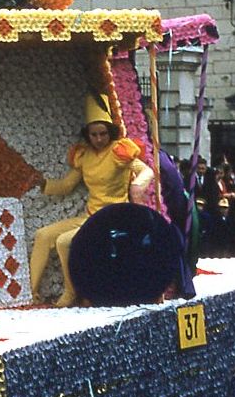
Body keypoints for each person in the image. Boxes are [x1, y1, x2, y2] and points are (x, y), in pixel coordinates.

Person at [29, 94, 154, 307]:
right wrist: (43, 183)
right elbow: (67, 186)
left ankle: (71, 293)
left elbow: (146, 170)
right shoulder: (84, 155)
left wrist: (137, 186)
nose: (98, 139)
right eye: (93, 134)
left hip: (113, 218)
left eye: (102, 133)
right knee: (43, 235)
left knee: (64, 241)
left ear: (110, 132)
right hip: (90, 216)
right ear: (87, 134)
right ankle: (30, 293)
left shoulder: (118, 151)